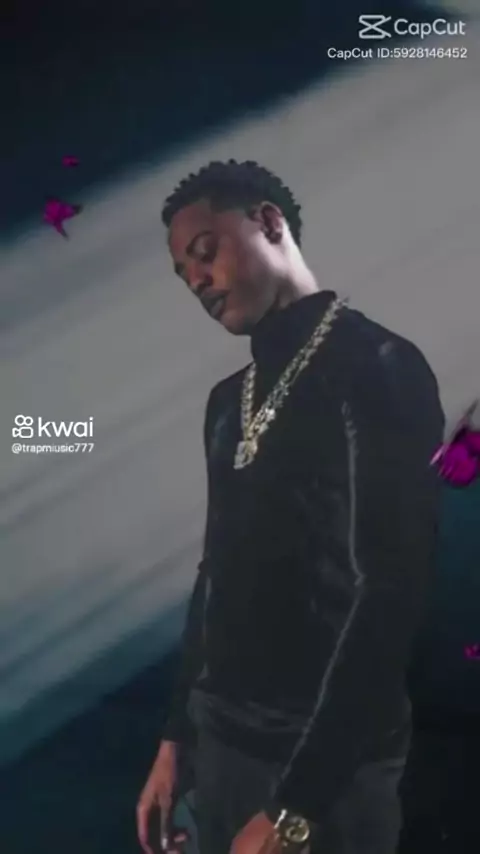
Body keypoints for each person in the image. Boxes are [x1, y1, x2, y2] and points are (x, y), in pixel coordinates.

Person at [136, 160, 445, 854]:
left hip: (332, 770)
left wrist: (294, 809)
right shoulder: (226, 403)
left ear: (269, 221)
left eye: (205, 251)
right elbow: (214, 575)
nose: (197, 281)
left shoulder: (379, 366)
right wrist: (175, 739)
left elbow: (392, 591)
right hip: (221, 749)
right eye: (183, 274)